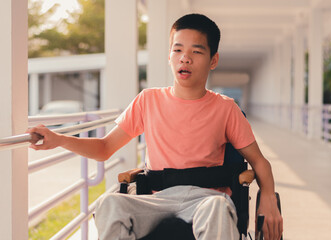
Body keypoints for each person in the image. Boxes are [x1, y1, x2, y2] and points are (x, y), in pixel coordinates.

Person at [29, 13, 283, 240]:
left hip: (206, 200)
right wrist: (59, 139)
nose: (185, 58)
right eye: (177, 50)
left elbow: (259, 161)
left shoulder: (226, 108)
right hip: (157, 199)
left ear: (213, 60)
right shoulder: (148, 100)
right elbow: (105, 147)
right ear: (170, 56)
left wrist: (268, 198)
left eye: (196, 51)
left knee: (218, 208)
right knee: (109, 203)